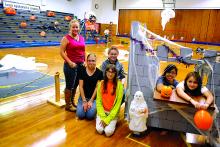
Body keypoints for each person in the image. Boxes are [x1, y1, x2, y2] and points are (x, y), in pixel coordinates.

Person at [60, 19, 85, 112]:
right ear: (70, 28)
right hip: (70, 66)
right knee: (69, 85)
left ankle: (72, 101)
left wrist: (84, 61)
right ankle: (68, 105)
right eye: (73, 27)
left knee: (76, 85)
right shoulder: (66, 38)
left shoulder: (81, 38)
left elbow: (83, 50)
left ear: (79, 28)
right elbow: (61, 52)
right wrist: (69, 62)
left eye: (77, 27)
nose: (75, 29)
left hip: (80, 65)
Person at [96, 64, 124, 137]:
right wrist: (103, 117)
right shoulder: (101, 83)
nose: (110, 74)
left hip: (112, 113)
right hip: (102, 112)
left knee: (108, 132)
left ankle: (113, 121)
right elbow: (98, 101)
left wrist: (107, 120)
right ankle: (101, 119)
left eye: (112, 72)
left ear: (115, 74)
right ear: (105, 72)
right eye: (108, 71)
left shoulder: (119, 85)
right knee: (99, 130)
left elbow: (117, 105)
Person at [76, 53, 103, 120]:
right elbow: (81, 87)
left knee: (90, 116)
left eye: (93, 60)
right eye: (89, 60)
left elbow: (97, 87)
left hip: (93, 99)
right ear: (86, 61)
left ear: (96, 61)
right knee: (80, 115)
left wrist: (91, 100)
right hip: (83, 97)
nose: (91, 62)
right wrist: (84, 101)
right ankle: (82, 104)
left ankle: (95, 106)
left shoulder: (100, 73)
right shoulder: (82, 71)